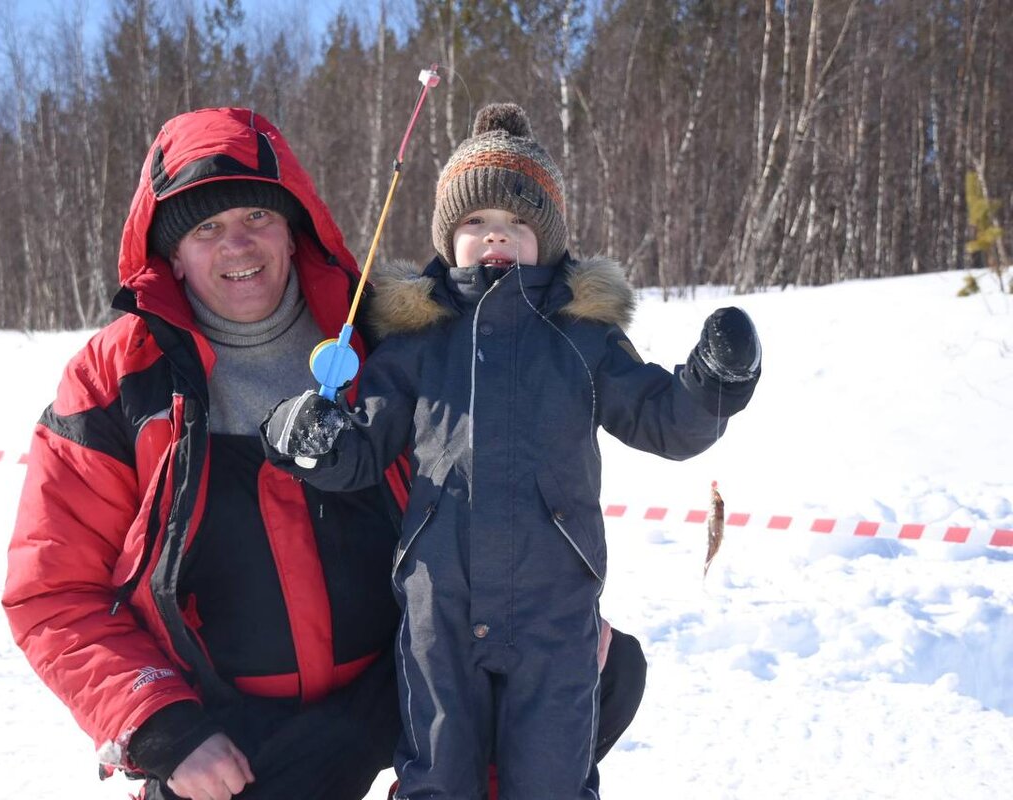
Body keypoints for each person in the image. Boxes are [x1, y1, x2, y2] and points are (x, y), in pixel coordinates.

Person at [2, 106, 648, 800]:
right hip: (237, 727)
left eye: (257, 216)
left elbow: (501, 477)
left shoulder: (387, 334)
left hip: (410, 671)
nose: (237, 245)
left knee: (601, 670)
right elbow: (53, 592)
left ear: (293, 225)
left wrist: (545, 613)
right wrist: (160, 725)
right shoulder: (114, 380)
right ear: (171, 255)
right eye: (206, 228)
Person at [262, 103, 762, 800]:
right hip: (440, 606)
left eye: (518, 223)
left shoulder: (581, 337)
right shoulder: (418, 339)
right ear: (448, 236)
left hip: (554, 610)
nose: (496, 235)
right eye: (475, 223)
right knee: (437, 772)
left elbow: (661, 419)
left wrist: (715, 382)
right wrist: (309, 436)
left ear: (547, 240)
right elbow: (362, 447)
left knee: (554, 776)